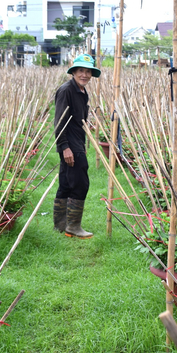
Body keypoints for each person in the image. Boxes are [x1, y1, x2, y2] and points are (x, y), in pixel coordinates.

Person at [53, 54, 100, 238]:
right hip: (70, 144)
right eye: (81, 70)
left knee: (65, 182)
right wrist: (65, 147)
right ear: (74, 72)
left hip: (76, 140)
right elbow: (59, 121)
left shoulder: (81, 91)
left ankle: (61, 225)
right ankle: (73, 226)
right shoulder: (66, 90)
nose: (85, 75)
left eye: (88, 72)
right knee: (81, 183)